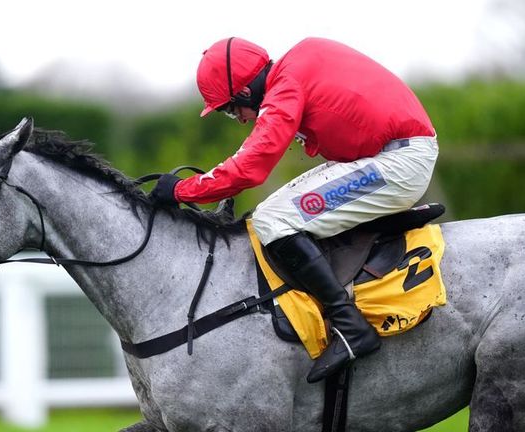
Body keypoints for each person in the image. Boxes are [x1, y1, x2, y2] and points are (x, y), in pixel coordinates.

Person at [149, 37, 438, 383]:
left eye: (230, 109)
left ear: (245, 92)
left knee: (273, 219)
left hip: (399, 162)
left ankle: (350, 326)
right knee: (269, 212)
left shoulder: (285, 88)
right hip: (390, 153)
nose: (238, 119)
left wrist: (181, 190)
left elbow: (249, 168)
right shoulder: (298, 62)